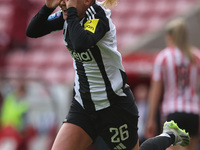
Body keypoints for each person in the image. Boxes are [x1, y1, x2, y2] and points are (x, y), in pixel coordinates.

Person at [26, 0, 190, 149]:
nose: (63, 3)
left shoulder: (97, 16)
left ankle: (169, 135)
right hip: (84, 106)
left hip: (113, 106)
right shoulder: (69, 15)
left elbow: (80, 43)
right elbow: (32, 31)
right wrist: (47, 8)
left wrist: (71, 13)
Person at [145, 18, 200, 150]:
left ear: (170, 36)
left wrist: (150, 118)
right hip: (193, 112)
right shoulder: (196, 56)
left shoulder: (163, 56)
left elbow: (155, 91)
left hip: (173, 112)